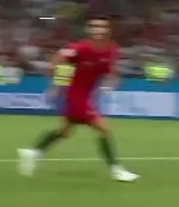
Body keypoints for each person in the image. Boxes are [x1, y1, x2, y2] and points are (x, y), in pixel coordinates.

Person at [18, 17, 139, 183]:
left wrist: (111, 83)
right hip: (75, 96)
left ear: (107, 30)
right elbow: (60, 61)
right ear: (89, 30)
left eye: (101, 26)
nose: (97, 29)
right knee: (104, 129)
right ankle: (116, 170)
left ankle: (33, 152)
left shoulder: (111, 50)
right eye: (94, 26)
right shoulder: (80, 48)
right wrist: (55, 84)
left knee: (65, 132)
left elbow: (111, 72)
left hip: (86, 96)